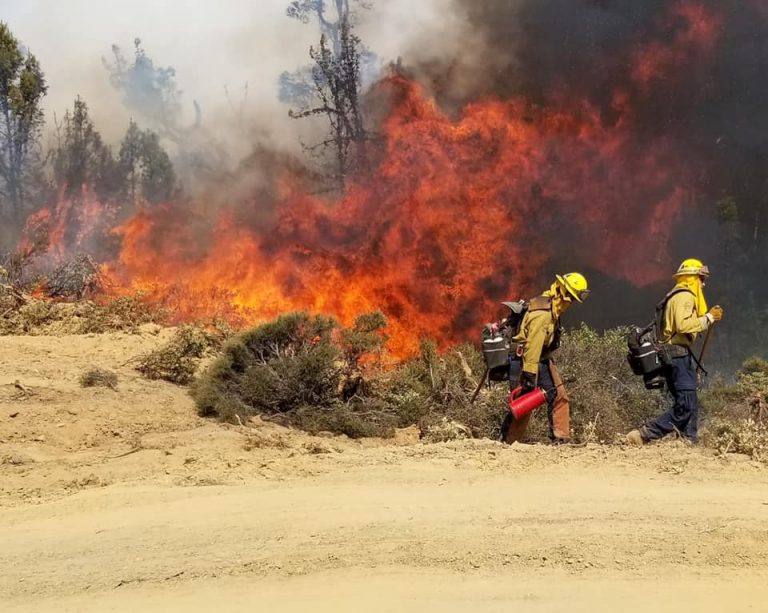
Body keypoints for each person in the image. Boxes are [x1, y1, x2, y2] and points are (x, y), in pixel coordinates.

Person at [627, 259, 724, 445]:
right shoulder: (684, 296)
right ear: (692, 278)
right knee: (686, 404)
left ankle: (688, 441)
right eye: (701, 278)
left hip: (677, 355)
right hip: (677, 355)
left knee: (691, 402)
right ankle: (644, 434)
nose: (703, 284)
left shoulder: (676, 295)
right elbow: (683, 325)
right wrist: (709, 318)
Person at [500, 272, 590, 444]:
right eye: (571, 297)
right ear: (563, 293)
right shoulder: (544, 313)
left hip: (541, 358)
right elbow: (532, 344)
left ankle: (560, 438)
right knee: (524, 403)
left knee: (558, 395)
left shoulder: (552, 306)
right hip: (526, 361)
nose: (570, 303)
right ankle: (508, 442)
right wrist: (529, 374)